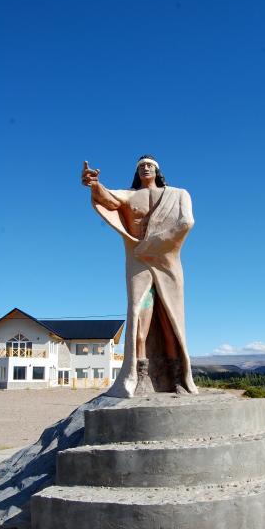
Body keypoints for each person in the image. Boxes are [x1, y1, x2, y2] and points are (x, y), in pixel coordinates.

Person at [81, 155, 198, 398]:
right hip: (139, 264)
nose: (145, 168)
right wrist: (95, 185)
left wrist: (152, 244)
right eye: (141, 166)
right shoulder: (130, 196)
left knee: (169, 320)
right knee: (139, 318)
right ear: (137, 172)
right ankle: (140, 377)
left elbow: (186, 222)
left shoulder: (178, 194)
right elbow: (109, 199)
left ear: (157, 169)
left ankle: (177, 379)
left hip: (167, 263)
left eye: (150, 165)